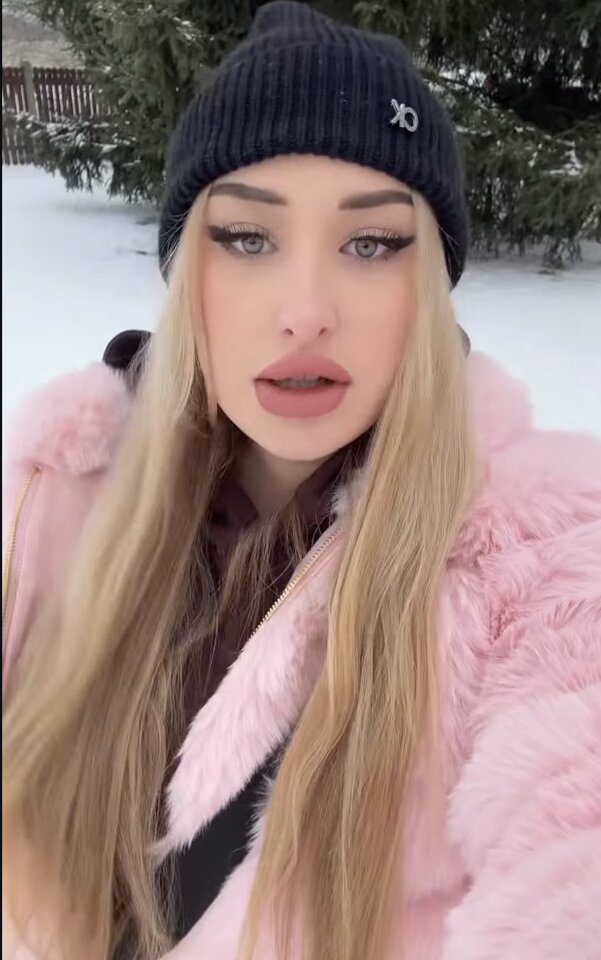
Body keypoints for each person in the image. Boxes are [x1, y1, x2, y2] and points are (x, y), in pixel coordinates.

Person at [3, 3, 601, 959]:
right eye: (247, 237)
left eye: (372, 244)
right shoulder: (54, 499)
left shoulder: (543, 558)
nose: (306, 312)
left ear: (429, 284)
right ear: (186, 273)